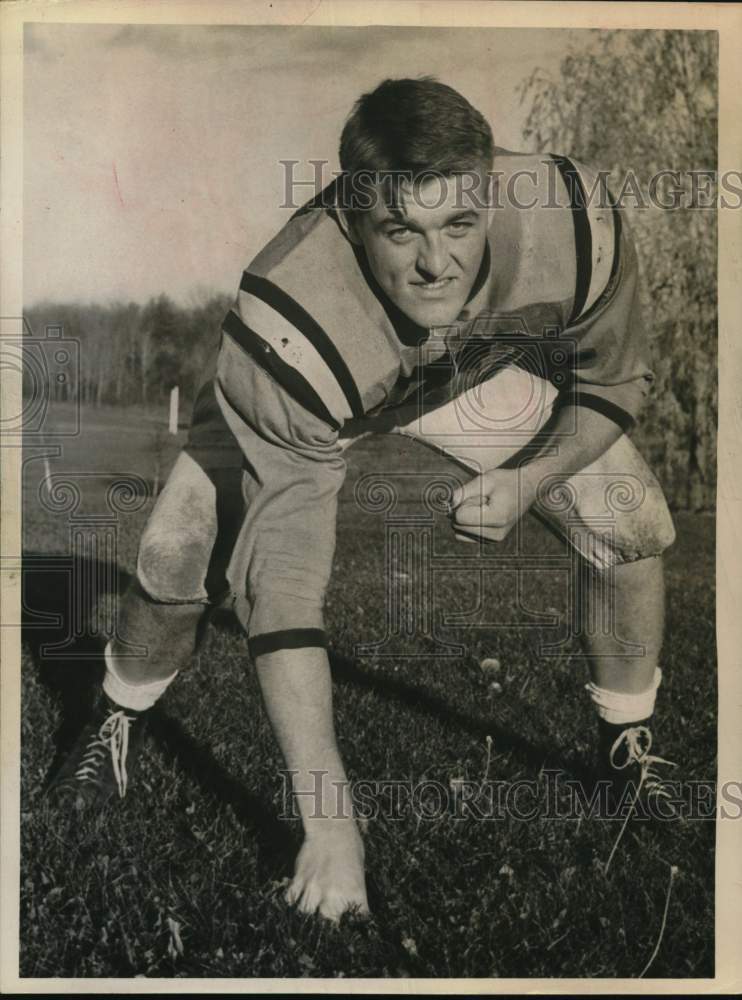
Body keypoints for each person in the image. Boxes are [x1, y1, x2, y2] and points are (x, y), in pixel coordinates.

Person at [48, 77, 677, 922]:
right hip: (325, 383)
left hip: (458, 372)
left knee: (631, 519)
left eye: (459, 223)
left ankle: (624, 745)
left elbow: (613, 378)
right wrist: (331, 823)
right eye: (400, 231)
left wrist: (526, 479)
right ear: (350, 218)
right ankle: (117, 713)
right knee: (177, 554)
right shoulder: (290, 312)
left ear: (492, 190)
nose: (435, 260)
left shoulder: (573, 218)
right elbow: (285, 586)